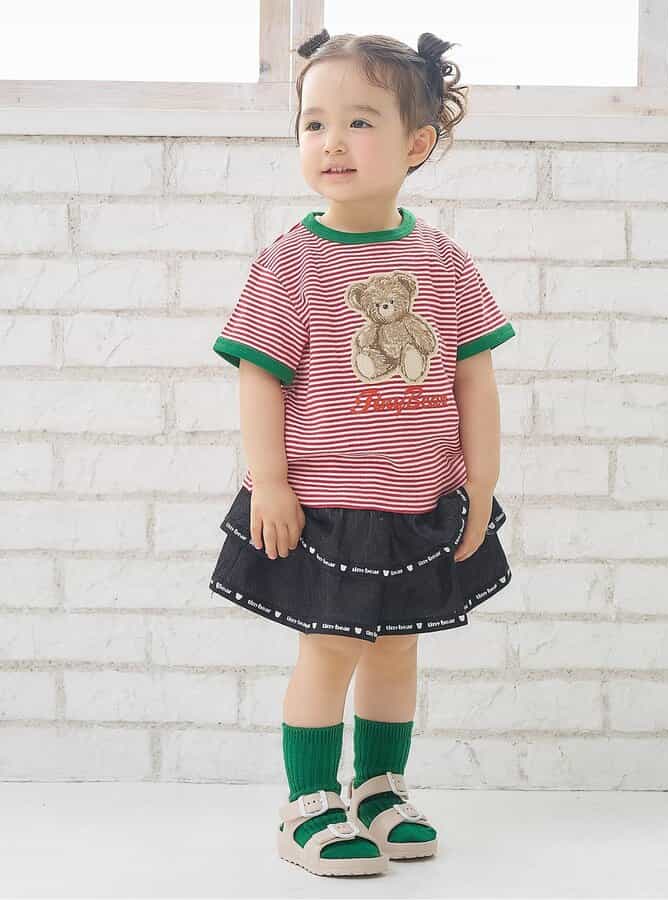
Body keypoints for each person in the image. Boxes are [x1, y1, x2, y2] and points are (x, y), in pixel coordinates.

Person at [208, 27, 516, 878]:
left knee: (398, 646)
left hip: (420, 498)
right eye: (314, 123)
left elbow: (475, 379)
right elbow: (260, 379)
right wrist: (270, 481)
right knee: (331, 646)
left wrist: (480, 481)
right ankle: (309, 803)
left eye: (359, 122)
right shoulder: (292, 263)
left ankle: (381, 788)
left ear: (417, 143)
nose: (332, 141)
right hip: (328, 505)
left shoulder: (443, 262)